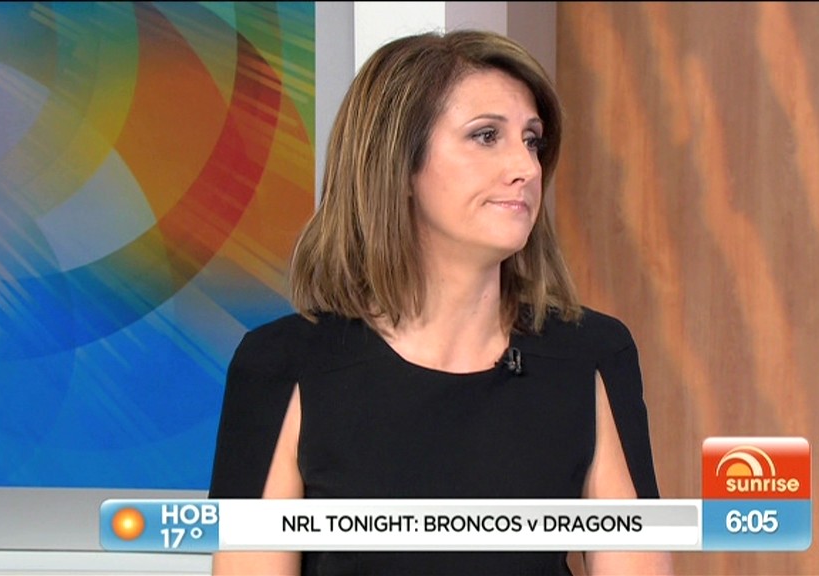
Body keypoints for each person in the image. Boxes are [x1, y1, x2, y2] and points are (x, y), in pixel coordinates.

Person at [208, 28, 673, 576]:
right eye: (486, 136)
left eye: (531, 140)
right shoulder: (283, 365)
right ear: (398, 165)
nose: (526, 168)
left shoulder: (590, 354)